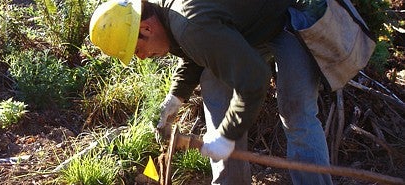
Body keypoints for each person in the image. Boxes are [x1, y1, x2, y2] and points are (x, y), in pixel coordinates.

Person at [89, 0, 333, 184]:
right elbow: (199, 51)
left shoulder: (187, 24)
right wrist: (176, 96)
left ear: (146, 28)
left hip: (288, 15)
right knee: (215, 87)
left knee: (296, 111)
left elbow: (256, 79)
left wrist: (226, 135)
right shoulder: (162, 14)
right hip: (244, 27)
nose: (142, 58)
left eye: (137, 50)